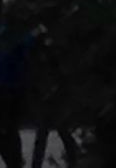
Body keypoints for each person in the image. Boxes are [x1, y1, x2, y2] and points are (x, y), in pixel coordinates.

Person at [0, 0, 35, 168]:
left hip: (12, 85)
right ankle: (14, 162)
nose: (6, 13)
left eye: (10, 9)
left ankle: (15, 163)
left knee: (10, 128)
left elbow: (25, 54)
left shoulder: (21, 34)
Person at [29, 23, 78, 168]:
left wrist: (55, 90)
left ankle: (73, 161)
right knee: (47, 134)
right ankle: (38, 164)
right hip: (46, 97)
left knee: (57, 132)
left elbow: (61, 75)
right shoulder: (37, 55)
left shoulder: (49, 54)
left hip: (53, 97)